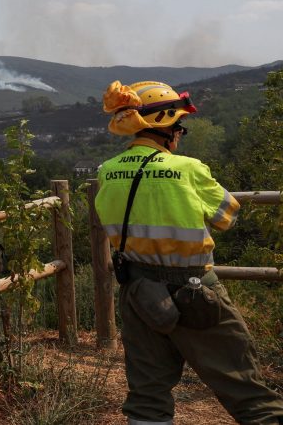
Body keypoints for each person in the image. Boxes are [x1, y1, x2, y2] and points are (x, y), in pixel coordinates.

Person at [96, 80, 283, 425]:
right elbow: (227, 215)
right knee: (246, 389)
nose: (181, 134)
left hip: (138, 293)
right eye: (180, 126)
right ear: (166, 126)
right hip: (195, 293)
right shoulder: (189, 169)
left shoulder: (108, 172)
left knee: (147, 395)